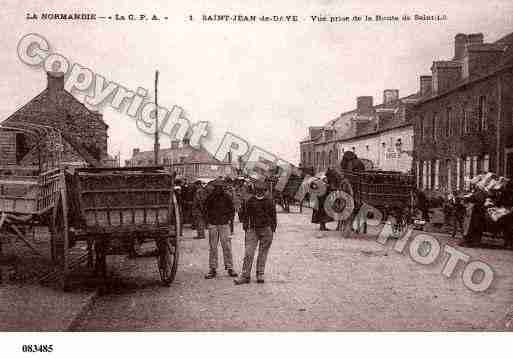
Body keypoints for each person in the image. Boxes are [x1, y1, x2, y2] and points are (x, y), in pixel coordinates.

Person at [234, 179, 277, 285]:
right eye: (258, 190)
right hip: (252, 229)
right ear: (255, 190)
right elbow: (243, 214)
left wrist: (272, 229)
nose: (260, 192)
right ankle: (245, 275)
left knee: (263, 253)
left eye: (262, 190)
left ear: (264, 191)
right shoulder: (250, 201)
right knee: (249, 253)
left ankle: (260, 274)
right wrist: (246, 227)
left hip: (266, 229)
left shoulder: (269, 201)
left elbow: (273, 216)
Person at [204, 179, 238, 279]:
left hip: (223, 224)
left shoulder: (227, 197)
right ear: (215, 187)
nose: (218, 189)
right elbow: (205, 208)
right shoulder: (210, 197)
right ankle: (213, 268)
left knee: (226, 246)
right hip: (213, 224)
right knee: (213, 247)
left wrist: (229, 220)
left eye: (220, 187)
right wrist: (208, 220)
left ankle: (230, 267)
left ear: (222, 188)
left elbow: (232, 210)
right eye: (217, 187)